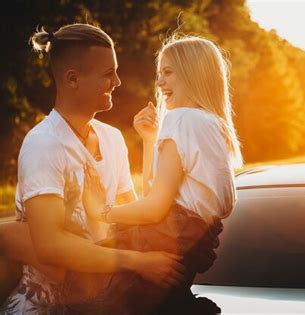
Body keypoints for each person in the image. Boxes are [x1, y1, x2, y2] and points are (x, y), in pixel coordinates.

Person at [0, 23, 186, 314]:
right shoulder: (43, 145)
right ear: (72, 79)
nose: (117, 81)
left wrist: (150, 144)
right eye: (108, 74)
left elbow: (130, 218)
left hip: (103, 302)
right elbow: (49, 246)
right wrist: (137, 262)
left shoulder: (113, 139)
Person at [78, 34, 243, 313]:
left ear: (193, 73)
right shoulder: (213, 124)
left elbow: (154, 210)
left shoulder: (182, 119)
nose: (159, 82)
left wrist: (101, 211)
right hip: (186, 244)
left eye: (167, 72)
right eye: (159, 73)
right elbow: (155, 199)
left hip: (165, 239)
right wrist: (149, 139)